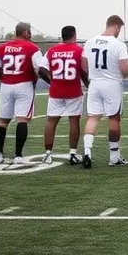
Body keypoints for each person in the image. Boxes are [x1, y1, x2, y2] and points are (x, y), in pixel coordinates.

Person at [81, 15, 128, 168]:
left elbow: (84, 65)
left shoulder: (89, 42)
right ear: (116, 26)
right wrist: (127, 71)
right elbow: (124, 69)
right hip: (112, 84)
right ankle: (114, 156)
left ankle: (87, 152)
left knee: (93, 118)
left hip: (95, 83)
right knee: (114, 119)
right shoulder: (118, 44)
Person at [0, 22, 48, 165]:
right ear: (25, 33)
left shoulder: (2, 48)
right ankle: (18, 155)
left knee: (3, 121)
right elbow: (40, 69)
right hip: (24, 85)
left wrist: (5, 79)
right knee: (22, 120)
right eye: (29, 32)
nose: (30, 34)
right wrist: (50, 81)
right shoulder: (32, 48)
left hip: (6, 85)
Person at [41, 25, 89, 165]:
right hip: (73, 91)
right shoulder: (79, 50)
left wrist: (51, 81)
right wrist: (87, 84)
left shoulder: (52, 50)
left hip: (56, 91)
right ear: (74, 34)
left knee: (51, 122)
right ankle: (72, 153)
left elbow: (41, 69)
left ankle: (48, 153)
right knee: (74, 121)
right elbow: (83, 70)